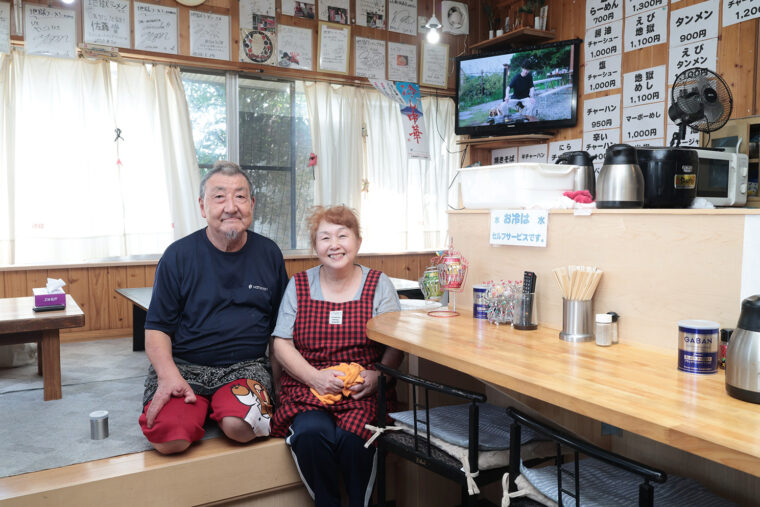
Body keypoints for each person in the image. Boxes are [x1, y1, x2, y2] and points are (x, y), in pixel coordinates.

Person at [138, 160, 289, 454]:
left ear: (252, 203)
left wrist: (281, 386)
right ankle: (199, 408)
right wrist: (169, 377)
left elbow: (279, 331)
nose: (231, 206)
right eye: (219, 197)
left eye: (240, 196)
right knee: (169, 438)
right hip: (184, 368)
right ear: (202, 206)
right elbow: (157, 328)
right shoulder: (177, 256)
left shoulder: (268, 253)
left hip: (245, 367)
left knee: (241, 426)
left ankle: (220, 408)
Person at [270, 205, 403, 507]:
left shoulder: (379, 284)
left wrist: (377, 376)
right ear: (315, 246)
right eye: (325, 237)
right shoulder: (299, 284)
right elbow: (281, 343)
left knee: (355, 439)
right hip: (307, 388)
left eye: (343, 235)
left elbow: (396, 343)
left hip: (362, 394)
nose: (334, 244)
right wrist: (314, 378)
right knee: (310, 434)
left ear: (357, 241)